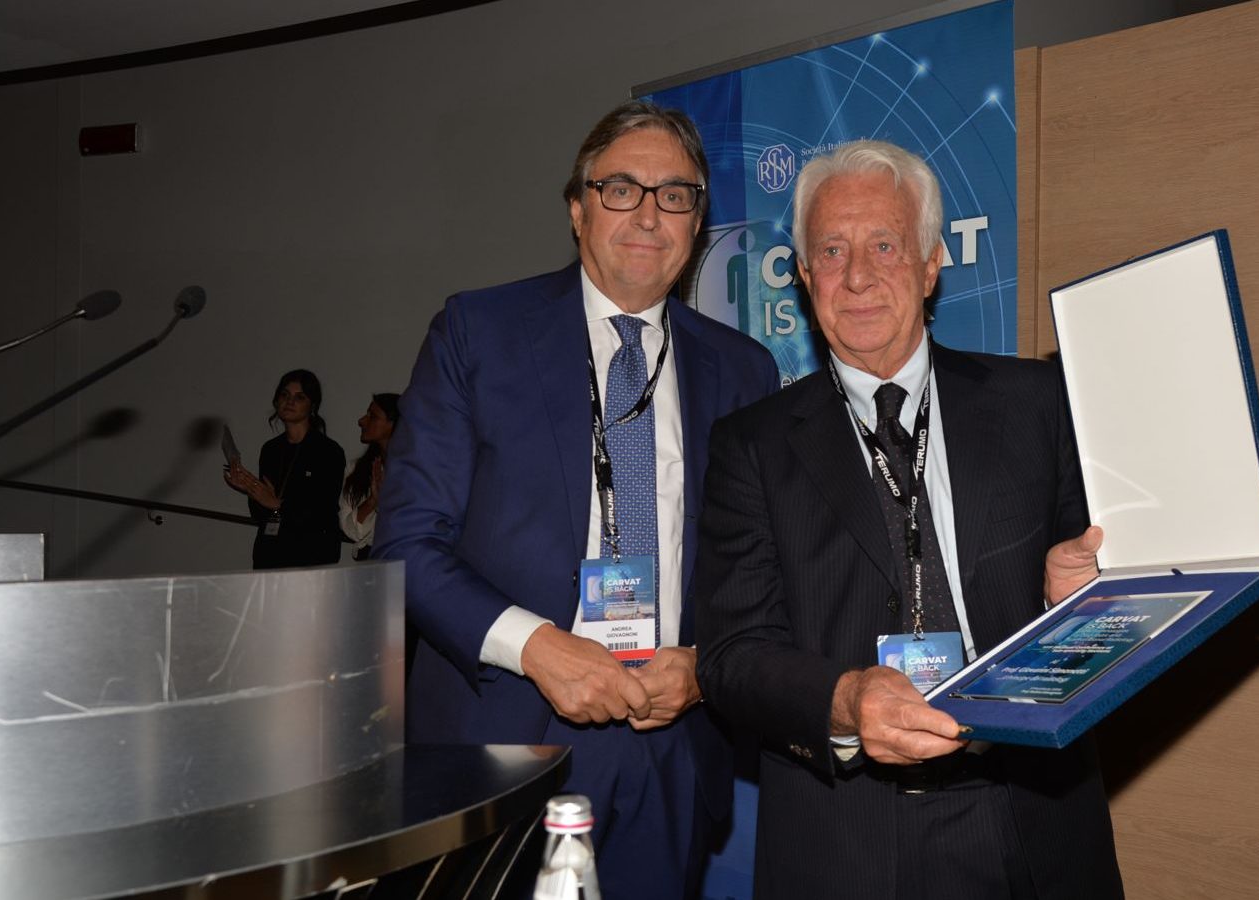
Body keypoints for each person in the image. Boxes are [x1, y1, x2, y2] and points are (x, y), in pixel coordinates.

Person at [691, 140, 1124, 900]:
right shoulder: (751, 445)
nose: (857, 275)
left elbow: (1116, 609)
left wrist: (1079, 597)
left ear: (930, 266)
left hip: (1030, 818)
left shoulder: (1036, 404)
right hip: (844, 838)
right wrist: (845, 698)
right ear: (804, 276)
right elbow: (731, 656)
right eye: (832, 250)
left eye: (884, 245)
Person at [372, 100, 777, 898]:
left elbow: (759, 571)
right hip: (503, 736)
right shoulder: (478, 332)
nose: (648, 215)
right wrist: (539, 648)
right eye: (620, 188)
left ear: (697, 222)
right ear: (577, 208)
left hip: (670, 745)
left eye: (675, 195)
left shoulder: (743, 370)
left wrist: (707, 668)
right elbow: (407, 544)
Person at [225, 368, 346, 569]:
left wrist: (277, 504)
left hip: (310, 556)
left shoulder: (328, 451)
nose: (289, 401)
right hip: (270, 553)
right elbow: (259, 512)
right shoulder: (271, 449)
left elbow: (323, 512)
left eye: (299, 397)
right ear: (276, 401)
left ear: (312, 406)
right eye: (284, 395)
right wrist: (250, 488)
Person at [338, 392, 400, 560]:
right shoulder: (355, 469)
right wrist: (372, 501)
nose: (361, 421)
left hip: (405, 557)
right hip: (370, 560)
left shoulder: (416, 470)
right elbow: (350, 530)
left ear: (393, 424)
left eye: (372, 416)